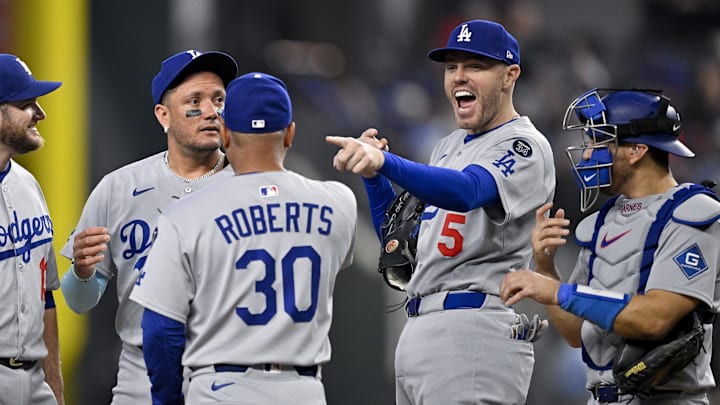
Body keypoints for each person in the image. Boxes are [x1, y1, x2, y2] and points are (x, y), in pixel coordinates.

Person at [326, 19, 556, 404]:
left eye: (476, 66)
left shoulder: (524, 145)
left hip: (473, 331)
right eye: (452, 67)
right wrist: (373, 177)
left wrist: (385, 161)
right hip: (421, 326)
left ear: (510, 75)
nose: (459, 76)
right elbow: (398, 246)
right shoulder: (448, 147)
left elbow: (469, 192)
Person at [129, 71, 357, 404]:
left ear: (224, 133)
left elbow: (160, 330)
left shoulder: (184, 214)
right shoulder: (338, 201)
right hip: (303, 388)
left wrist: (168, 400)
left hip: (222, 387)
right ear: (290, 134)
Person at [500, 88, 720, 404]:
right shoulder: (604, 220)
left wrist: (556, 292)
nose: (587, 154)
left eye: (597, 142)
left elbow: (654, 319)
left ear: (636, 150)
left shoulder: (694, 215)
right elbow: (575, 332)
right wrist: (546, 269)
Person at [60, 49, 238, 403]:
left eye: (219, 98)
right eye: (194, 100)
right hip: (141, 376)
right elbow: (78, 302)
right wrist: (82, 272)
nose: (211, 111)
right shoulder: (119, 187)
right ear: (164, 115)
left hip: (229, 372)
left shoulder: (249, 184)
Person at [0, 54, 65, 405]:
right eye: (26, 104)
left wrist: (54, 388)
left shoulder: (28, 185)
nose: (40, 114)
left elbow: (47, 297)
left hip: (34, 381)